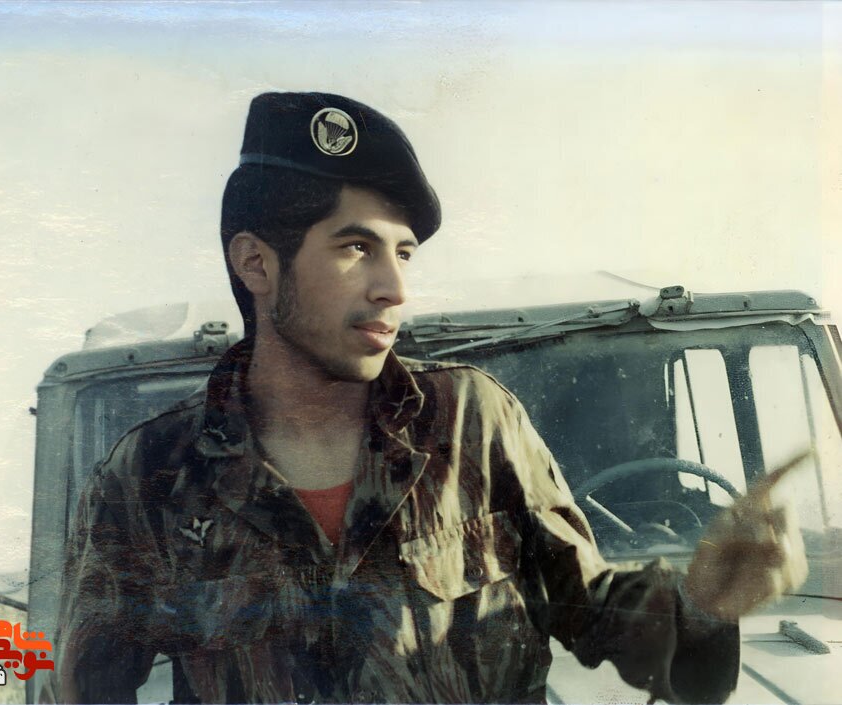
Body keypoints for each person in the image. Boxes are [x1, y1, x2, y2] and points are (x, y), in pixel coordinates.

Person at [52, 92, 807, 704]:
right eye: (357, 248)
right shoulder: (151, 476)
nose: (395, 287)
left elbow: (591, 608)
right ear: (256, 263)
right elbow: (88, 688)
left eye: (404, 252)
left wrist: (704, 604)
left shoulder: (474, 424)